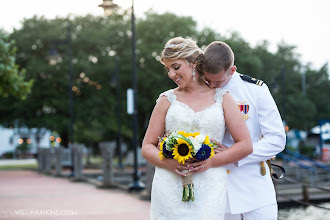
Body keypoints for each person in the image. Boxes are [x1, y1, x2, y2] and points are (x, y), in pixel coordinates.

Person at [141, 37, 252, 220]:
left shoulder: (223, 97)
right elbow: (147, 147)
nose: (171, 74)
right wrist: (168, 163)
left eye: (176, 67)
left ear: (193, 63)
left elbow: (246, 145)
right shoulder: (166, 100)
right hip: (169, 183)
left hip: (210, 183)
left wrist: (211, 162)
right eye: (168, 69)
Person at [194, 41, 286, 220]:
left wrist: (236, 154)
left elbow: (276, 139)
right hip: (216, 189)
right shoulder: (199, 92)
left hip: (254, 188)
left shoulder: (255, 90)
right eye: (207, 80)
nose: (212, 86)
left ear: (232, 70)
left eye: (218, 80)